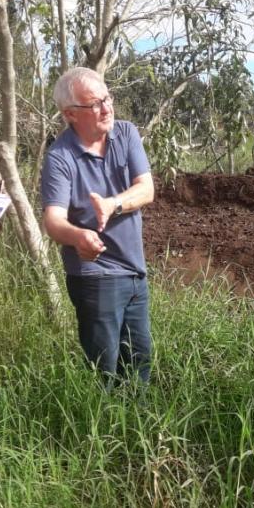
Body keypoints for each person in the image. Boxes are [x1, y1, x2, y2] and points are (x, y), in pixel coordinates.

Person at [40, 67, 155, 385]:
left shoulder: (126, 133)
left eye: (107, 98)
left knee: (140, 363)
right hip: (96, 278)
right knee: (105, 373)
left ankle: (137, 430)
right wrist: (78, 236)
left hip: (135, 272)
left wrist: (112, 204)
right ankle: (102, 431)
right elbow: (53, 220)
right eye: (95, 104)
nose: (106, 108)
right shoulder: (60, 158)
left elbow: (146, 189)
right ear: (70, 114)